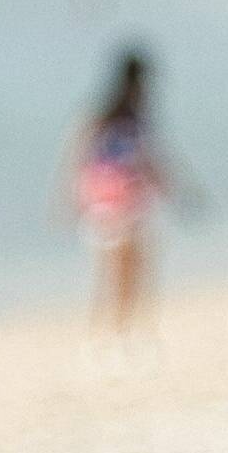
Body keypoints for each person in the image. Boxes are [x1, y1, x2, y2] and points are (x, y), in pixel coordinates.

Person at [62, 45, 189, 336]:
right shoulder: (121, 120)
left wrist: (71, 199)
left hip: (117, 202)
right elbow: (149, 162)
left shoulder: (104, 117)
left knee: (116, 273)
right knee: (122, 273)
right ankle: (114, 332)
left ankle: (116, 332)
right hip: (116, 202)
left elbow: (76, 158)